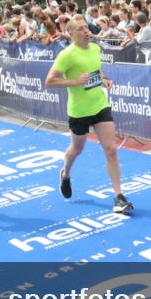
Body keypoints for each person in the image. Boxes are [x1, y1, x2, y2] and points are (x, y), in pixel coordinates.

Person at [45, 16, 133, 215]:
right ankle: (65, 173)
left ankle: (119, 196)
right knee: (77, 149)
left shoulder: (95, 48)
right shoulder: (67, 55)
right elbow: (49, 81)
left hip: (100, 105)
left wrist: (104, 79)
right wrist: (75, 82)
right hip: (79, 111)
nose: (86, 31)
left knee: (111, 149)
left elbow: (96, 69)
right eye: (80, 28)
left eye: (86, 27)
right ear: (71, 33)